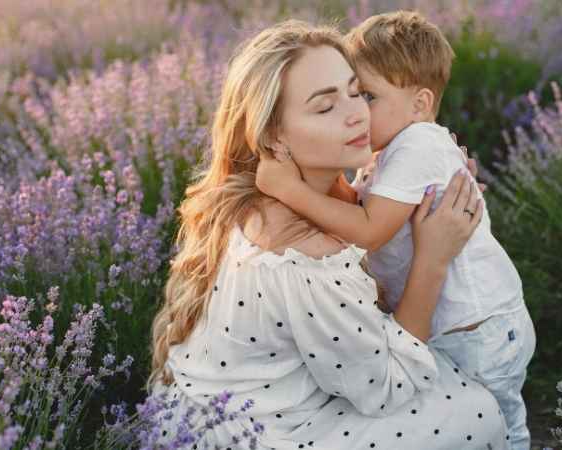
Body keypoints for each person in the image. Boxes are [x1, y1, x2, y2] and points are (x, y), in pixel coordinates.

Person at [148, 19, 508, 449]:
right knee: (477, 413)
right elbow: (386, 387)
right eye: (324, 107)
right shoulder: (303, 255)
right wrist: (433, 257)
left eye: (358, 93)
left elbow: (357, 215)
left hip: (206, 409)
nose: (356, 112)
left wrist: (420, 181)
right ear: (273, 136)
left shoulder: (253, 195)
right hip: (264, 434)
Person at [255, 11, 536, 450]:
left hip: (476, 329)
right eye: (348, 95)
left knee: (498, 420)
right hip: (453, 324)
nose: (356, 112)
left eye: (366, 96)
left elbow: (369, 230)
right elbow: (354, 207)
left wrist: (291, 190)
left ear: (420, 105)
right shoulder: (388, 153)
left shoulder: (418, 145)